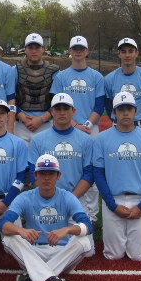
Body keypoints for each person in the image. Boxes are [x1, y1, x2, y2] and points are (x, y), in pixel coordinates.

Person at [0, 154, 94, 281]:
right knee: (9, 238)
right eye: (42, 173)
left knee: (85, 241)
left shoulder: (67, 197)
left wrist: (67, 229)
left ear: (58, 176)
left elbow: (88, 226)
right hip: (34, 252)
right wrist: (20, 230)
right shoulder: (25, 197)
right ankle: (50, 279)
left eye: (51, 173)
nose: (46, 178)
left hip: (62, 253)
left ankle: (33, 278)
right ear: (35, 175)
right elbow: (3, 224)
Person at [93, 92, 141, 261]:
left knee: (138, 257)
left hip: (139, 200)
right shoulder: (102, 139)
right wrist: (112, 205)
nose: (125, 113)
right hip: (113, 200)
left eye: (129, 109)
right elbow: (98, 174)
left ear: (136, 111)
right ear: (114, 112)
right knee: (113, 255)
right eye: (121, 109)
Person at [104, 37, 141, 233]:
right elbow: (108, 106)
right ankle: (113, 210)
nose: (127, 55)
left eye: (131, 51)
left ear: (137, 53)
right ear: (118, 54)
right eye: (123, 51)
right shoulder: (110, 78)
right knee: (117, 170)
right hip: (117, 128)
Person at [28, 93, 95, 253]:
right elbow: (32, 171)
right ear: (52, 111)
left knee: (87, 252)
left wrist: (69, 198)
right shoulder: (38, 139)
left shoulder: (85, 140)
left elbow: (89, 173)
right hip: (46, 201)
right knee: (43, 248)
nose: (62, 112)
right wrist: (51, 196)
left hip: (76, 200)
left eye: (66, 108)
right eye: (58, 109)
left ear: (74, 111)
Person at [50, 35, 105, 225]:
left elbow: (99, 105)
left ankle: (90, 214)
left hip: (91, 129)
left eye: (82, 48)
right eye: (75, 48)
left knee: (91, 172)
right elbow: (56, 105)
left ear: (87, 51)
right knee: (66, 167)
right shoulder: (61, 76)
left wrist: (87, 126)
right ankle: (60, 209)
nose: (78, 51)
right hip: (66, 127)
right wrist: (74, 125)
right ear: (70, 51)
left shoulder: (96, 76)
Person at [12, 33, 59, 145]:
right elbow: (10, 97)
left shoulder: (54, 72)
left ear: (43, 49)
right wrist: (22, 117)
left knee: (45, 162)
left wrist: (41, 119)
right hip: (21, 125)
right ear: (25, 49)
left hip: (45, 125)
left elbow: (58, 102)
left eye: (37, 47)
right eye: (30, 48)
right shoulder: (15, 70)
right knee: (21, 162)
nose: (34, 51)